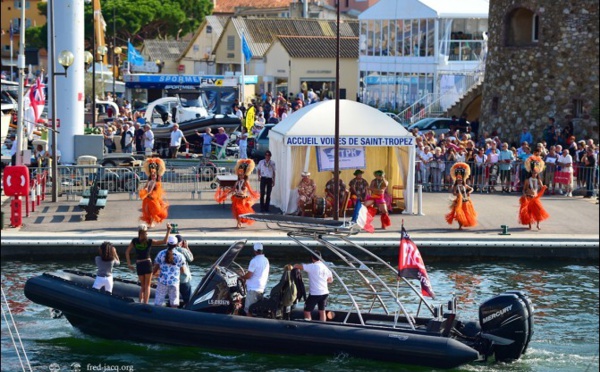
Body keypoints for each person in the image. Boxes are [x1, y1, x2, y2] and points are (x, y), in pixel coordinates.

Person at [126, 223, 172, 303]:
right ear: (146, 231)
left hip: (139, 264)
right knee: (147, 286)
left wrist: (129, 264)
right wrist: (168, 230)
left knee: (142, 286)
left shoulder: (134, 241)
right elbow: (164, 242)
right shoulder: (149, 241)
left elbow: (127, 252)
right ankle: (145, 304)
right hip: (147, 263)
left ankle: (140, 302)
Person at [215, 159, 259, 228]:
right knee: (237, 211)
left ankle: (240, 222)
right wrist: (226, 193)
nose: (240, 175)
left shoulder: (246, 182)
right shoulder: (237, 182)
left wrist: (253, 195)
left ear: (244, 174)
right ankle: (238, 223)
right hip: (237, 198)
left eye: (242, 174)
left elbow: (250, 190)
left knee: (241, 212)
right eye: (239, 174)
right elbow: (233, 189)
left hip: (243, 199)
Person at [293, 251, 333, 322]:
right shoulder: (326, 267)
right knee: (322, 311)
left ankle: (308, 326)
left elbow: (297, 266)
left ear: (312, 258)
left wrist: (294, 265)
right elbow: (330, 280)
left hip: (315, 293)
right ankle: (322, 326)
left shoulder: (312, 266)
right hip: (325, 293)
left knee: (307, 311)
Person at [152, 235, 185, 307]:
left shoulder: (161, 254)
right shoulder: (180, 256)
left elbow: (155, 268)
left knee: (158, 303)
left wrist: (152, 276)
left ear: (167, 243)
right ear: (176, 244)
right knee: (174, 303)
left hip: (162, 281)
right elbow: (183, 271)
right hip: (174, 282)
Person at [519, 155, 550, 230]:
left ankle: (538, 225)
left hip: (535, 198)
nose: (534, 174)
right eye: (533, 173)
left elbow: (542, 187)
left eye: (535, 173)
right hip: (529, 198)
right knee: (528, 212)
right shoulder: (527, 180)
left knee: (538, 212)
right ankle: (529, 225)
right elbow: (524, 189)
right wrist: (524, 193)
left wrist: (544, 187)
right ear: (531, 173)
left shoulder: (538, 180)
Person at [240, 243, 270, 317]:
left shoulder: (254, 261)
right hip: (261, 289)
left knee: (248, 310)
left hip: (253, 289)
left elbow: (249, 275)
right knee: (255, 310)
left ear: (254, 251)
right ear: (262, 250)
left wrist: (242, 277)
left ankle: (248, 327)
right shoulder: (266, 260)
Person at [445, 163, 477, 229]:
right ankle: (460, 226)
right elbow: (453, 193)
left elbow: (472, 189)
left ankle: (464, 223)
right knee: (459, 214)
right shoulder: (455, 186)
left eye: (461, 180)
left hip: (466, 201)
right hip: (459, 202)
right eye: (458, 180)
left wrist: (469, 192)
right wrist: (457, 194)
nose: (460, 181)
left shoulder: (465, 185)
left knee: (466, 213)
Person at [139, 158, 169, 227]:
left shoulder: (158, 179)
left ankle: (151, 223)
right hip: (148, 197)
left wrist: (152, 193)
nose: (153, 174)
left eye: (154, 173)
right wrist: (144, 190)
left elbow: (158, 187)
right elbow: (146, 186)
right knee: (148, 211)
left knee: (154, 211)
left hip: (154, 197)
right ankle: (150, 223)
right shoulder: (149, 178)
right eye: (152, 173)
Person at [174, 233, 194, 307]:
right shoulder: (182, 250)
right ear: (181, 242)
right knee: (188, 299)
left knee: (174, 298)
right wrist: (187, 247)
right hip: (183, 279)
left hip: (173, 280)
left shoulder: (168, 251)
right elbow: (191, 258)